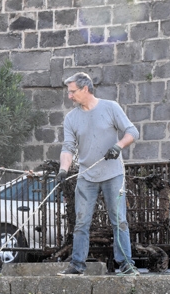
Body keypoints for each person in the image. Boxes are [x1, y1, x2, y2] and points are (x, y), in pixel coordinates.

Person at [56, 72, 140, 276]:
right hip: (86, 176)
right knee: (81, 222)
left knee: (118, 220)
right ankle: (77, 265)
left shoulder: (110, 107)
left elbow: (133, 132)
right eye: (69, 92)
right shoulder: (71, 118)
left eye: (72, 92)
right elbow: (68, 147)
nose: (70, 96)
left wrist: (118, 146)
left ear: (85, 89)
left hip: (113, 174)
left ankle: (126, 264)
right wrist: (63, 170)